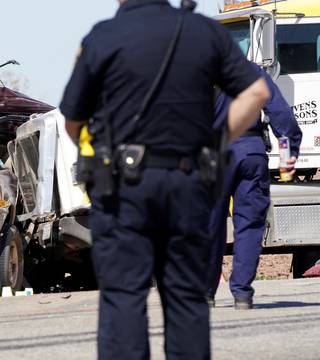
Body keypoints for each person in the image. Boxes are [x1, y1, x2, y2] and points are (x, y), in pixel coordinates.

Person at [60, 0, 270, 359]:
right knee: (187, 298)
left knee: (124, 296)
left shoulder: (103, 37)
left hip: (122, 188)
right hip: (187, 183)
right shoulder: (203, 32)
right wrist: (215, 143)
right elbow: (257, 92)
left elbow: (72, 119)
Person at [207, 63, 301, 310]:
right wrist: (290, 151)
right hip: (250, 151)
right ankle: (242, 293)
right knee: (250, 223)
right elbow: (281, 114)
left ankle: (205, 293)